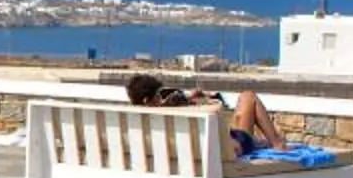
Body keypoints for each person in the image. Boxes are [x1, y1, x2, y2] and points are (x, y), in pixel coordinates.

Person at [123, 72, 290, 154]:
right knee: (248, 97)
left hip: (213, 145)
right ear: (147, 100)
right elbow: (231, 143)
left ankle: (270, 140)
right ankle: (276, 143)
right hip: (231, 144)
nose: (162, 98)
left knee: (243, 119)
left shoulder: (135, 123)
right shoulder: (172, 114)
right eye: (159, 95)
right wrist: (204, 103)